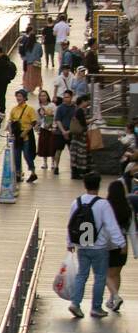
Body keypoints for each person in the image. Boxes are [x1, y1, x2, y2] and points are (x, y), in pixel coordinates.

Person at [66, 173, 126, 319]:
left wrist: (70, 242)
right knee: (100, 277)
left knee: (82, 275)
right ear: (99, 185)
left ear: (84, 185)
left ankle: (75, 303)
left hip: (82, 246)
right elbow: (111, 226)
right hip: (99, 247)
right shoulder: (103, 204)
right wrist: (121, 243)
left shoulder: (77, 202)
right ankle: (96, 308)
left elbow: (71, 224)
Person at [105, 179, 133, 312]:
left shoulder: (106, 206)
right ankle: (112, 299)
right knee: (116, 273)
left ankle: (115, 296)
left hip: (108, 243)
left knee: (104, 273)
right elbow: (132, 229)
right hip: (123, 244)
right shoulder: (127, 208)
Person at [8, 88, 38, 183]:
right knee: (16, 155)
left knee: (27, 154)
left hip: (26, 136)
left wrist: (25, 132)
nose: (18, 98)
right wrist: (10, 131)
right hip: (16, 135)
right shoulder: (14, 109)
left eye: (20, 96)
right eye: (17, 96)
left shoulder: (30, 109)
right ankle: (18, 173)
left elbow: (33, 122)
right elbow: (10, 121)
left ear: (25, 98)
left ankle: (33, 172)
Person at [69, 93, 93, 179]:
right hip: (80, 137)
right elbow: (83, 123)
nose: (88, 103)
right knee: (79, 154)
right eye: (87, 101)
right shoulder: (80, 111)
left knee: (76, 155)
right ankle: (78, 173)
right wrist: (91, 120)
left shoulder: (77, 110)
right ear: (83, 101)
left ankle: (76, 172)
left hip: (76, 137)